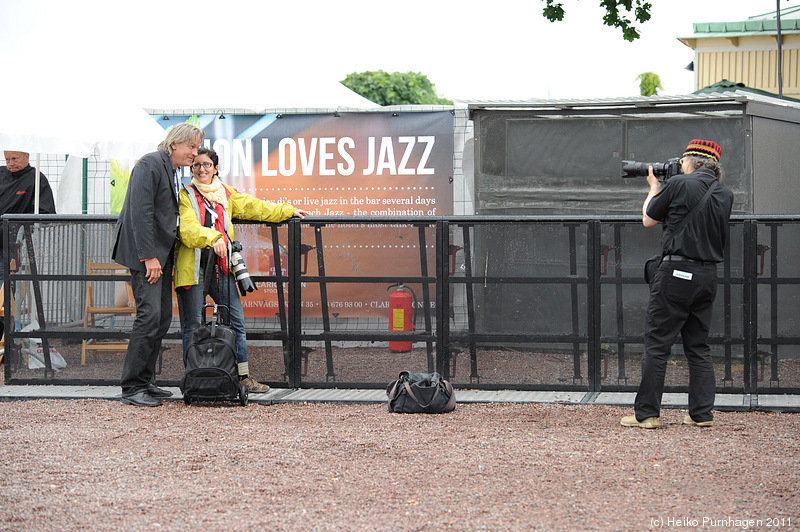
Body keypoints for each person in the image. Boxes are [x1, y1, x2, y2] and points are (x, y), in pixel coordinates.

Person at [175, 146, 309, 393]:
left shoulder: (226, 194)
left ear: (216, 168)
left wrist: (287, 211)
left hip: (221, 267)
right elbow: (187, 229)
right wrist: (213, 237)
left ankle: (242, 377)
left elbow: (256, 207)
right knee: (192, 326)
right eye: (197, 165)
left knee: (235, 320)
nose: (201, 169)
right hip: (193, 267)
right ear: (192, 169)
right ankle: (193, 378)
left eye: (206, 165)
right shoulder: (185, 195)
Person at [622, 139, 734, 429]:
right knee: (698, 346)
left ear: (691, 161)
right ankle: (701, 415)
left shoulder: (678, 184)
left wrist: (654, 187)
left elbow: (648, 219)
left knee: (658, 344)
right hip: (707, 276)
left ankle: (646, 414)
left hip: (676, 274)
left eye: (683, 160)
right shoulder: (725, 192)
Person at [112, 123, 204, 407]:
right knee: (150, 315)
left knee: (162, 317)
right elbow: (141, 213)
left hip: (160, 257)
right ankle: (132, 387)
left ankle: (146, 381)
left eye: (197, 147)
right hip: (147, 257)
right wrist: (148, 256)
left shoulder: (170, 169)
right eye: (192, 146)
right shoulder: (151, 164)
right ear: (175, 144)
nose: (195, 153)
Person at [0, 151, 57, 287]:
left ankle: (5, 306)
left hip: (10, 243)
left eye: (15, 159)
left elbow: (46, 213)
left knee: (5, 281)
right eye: (7, 159)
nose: (11, 163)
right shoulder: (1, 174)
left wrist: (17, 226)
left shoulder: (36, 179)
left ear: (27, 157)